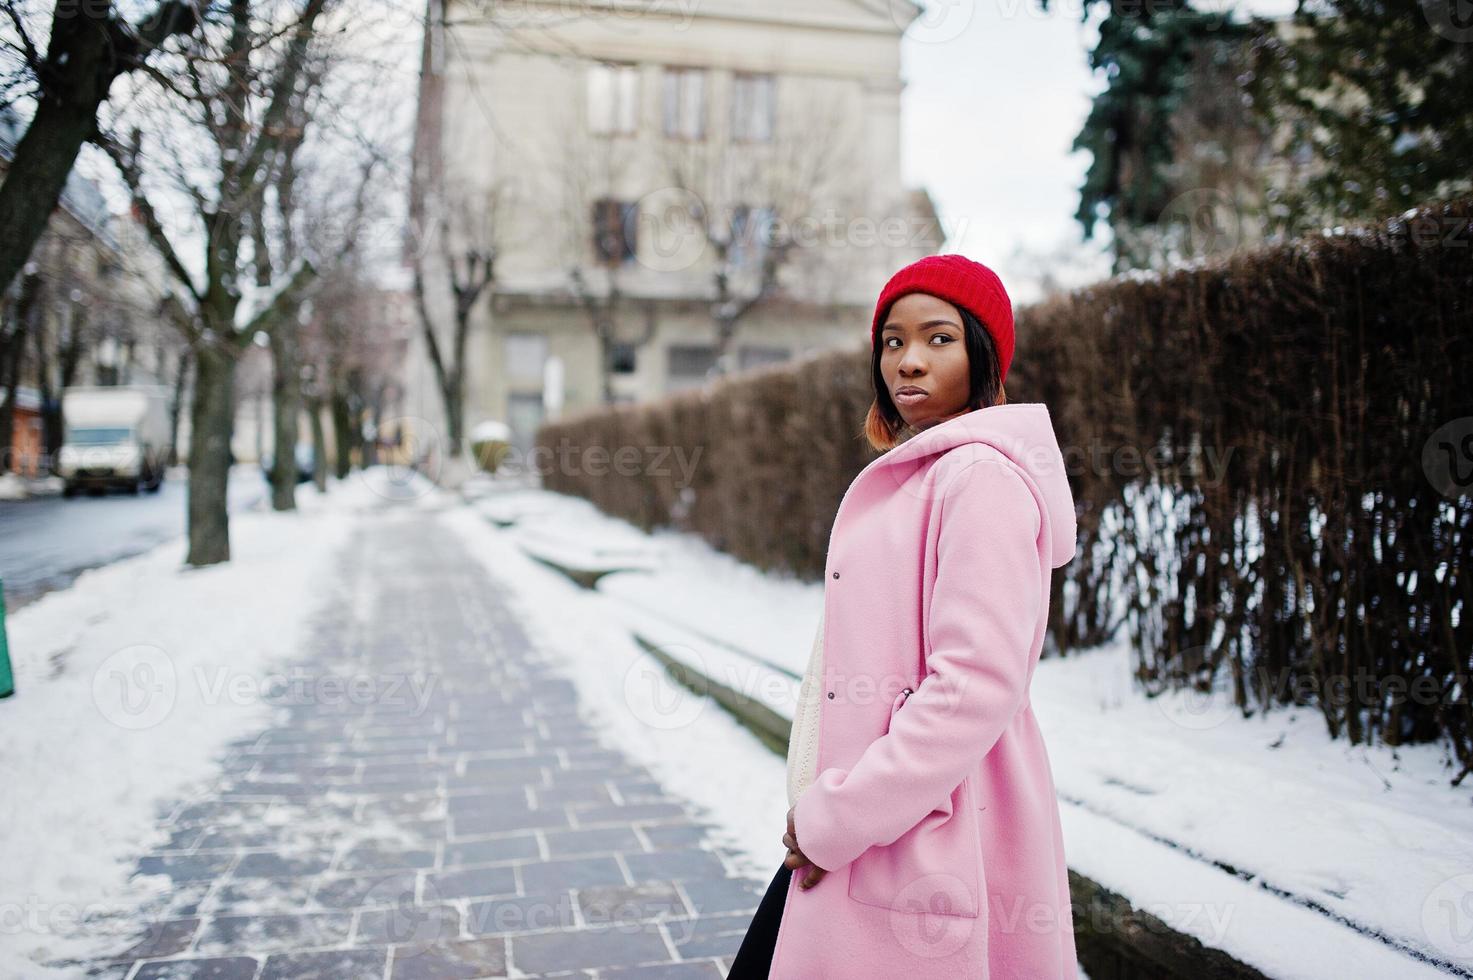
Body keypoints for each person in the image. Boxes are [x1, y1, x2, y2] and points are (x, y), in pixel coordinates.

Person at [729, 254, 1080, 979]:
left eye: (938, 338)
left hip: (927, 827)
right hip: (884, 819)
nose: (908, 361)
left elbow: (972, 688)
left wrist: (840, 817)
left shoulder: (980, 480)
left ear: (982, 354)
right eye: (891, 341)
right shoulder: (923, 473)